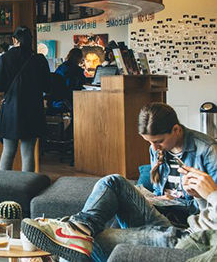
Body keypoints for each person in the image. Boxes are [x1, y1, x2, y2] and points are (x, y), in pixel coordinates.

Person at [21, 102, 217, 262]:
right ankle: (79, 226)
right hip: (164, 213)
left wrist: (201, 197)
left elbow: (210, 214)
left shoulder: (207, 150)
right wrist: (152, 196)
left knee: (92, 241)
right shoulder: (157, 148)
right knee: (112, 181)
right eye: (148, 141)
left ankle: (70, 238)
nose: (154, 147)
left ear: (176, 130)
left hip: (183, 228)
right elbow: (160, 187)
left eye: (158, 141)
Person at [0, 26, 51, 172]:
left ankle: (3, 187)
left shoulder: (5, 58)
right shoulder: (39, 59)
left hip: (12, 110)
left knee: (8, 151)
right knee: (28, 153)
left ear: (14, 39)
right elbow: (47, 86)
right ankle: (27, 188)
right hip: (33, 109)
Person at [51, 47, 87, 112]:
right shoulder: (77, 70)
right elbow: (82, 84)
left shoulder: (61, 67)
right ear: (78, 58)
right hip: (68, 101)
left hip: (56, 100)